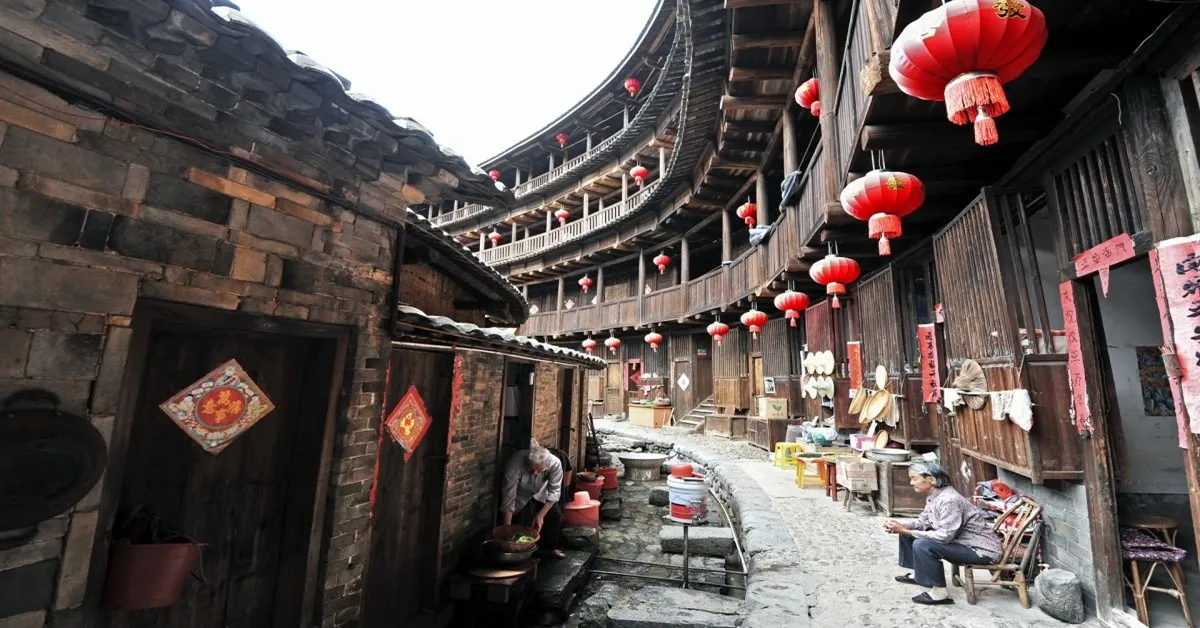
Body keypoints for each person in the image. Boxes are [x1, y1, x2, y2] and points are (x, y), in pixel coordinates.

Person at [883, 461, 1002, 605]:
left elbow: (945, 536)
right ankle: (920, 574)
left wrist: (906, 530)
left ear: (931, 479)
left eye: (914, 478)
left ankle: (940, 593)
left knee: (922, 544)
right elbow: (923, 522)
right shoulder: (934, 495)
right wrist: (901, 525)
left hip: (981, 551)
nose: (911, 482)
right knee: (909, 533)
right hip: (961, 543)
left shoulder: (949, 500)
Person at [500, 442, 565, 559]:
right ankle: (524, 552)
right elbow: (508, 496)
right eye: (531, 469)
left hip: (542, 492)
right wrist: (507, 528)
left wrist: (541, 516)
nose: (535, 473)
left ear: (546, 465)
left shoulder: (555, 463)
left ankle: (548, 550)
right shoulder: (515, 463)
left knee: (554, 516)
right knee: (522, 523)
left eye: (539, 470)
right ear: (527, 462)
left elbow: (554, 492)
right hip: (521, 493)